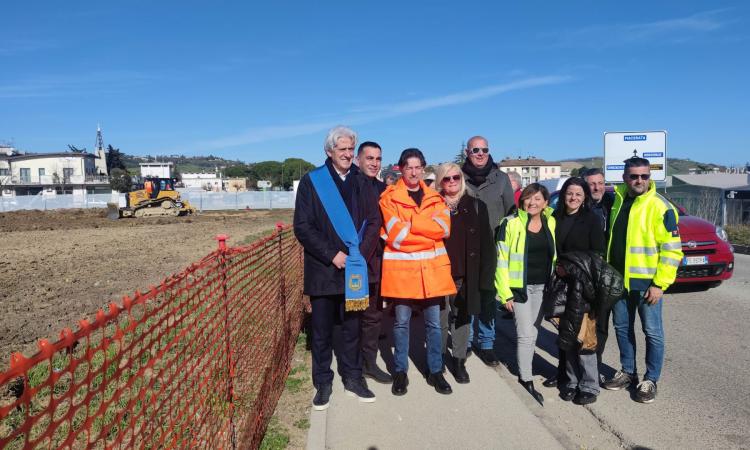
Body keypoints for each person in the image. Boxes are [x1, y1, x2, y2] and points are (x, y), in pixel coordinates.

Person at [293, 126, 382, 411]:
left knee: (352, 328)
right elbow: (303, 227)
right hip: (323, 270)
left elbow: (374, 221)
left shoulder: (363, 181)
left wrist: (359, 256)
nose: (347, 154)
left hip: (354, 270)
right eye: (341, 149)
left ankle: (354, 378)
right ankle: (323, 382)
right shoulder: (312, 182)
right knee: (321, 331)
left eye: (350, 149)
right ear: (329, 151)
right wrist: (333, 255)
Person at [602, 157, 683, 403]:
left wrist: (660, 284)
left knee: (652, 332)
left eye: (644, 176)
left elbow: (672, 250)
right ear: (625, 178)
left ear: (650, 177)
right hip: (618, 281)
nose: (639, 180)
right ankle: (628, 371)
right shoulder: (617, 200)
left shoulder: (661, 206)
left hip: (648, 284)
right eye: (634, 176)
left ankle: (650, 379)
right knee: (622, 328)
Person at [380, 148, 457, 396]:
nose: (413, 172)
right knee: (401, 324)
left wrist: (412, 223)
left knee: (434, 325)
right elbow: (395, 236)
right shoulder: (389, 198)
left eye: (417, 167)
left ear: (423, 169)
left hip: (431, 273)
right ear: (401, 169)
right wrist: (427, 233)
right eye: (408, 167)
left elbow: (444, 229)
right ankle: (400, 372)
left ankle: (436, 371)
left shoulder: (435, 198)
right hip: (402, 274)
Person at [434, 163, 495, 384]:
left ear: (461, 179)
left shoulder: (476, 206)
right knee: (439, 320)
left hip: (465, 274)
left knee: (462, 318)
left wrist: (485, 278)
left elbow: (488, 245)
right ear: (440, 182)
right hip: (437, 273)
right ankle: (438, 358)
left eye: (455, 178)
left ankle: (459, 360)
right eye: (446, 179)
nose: (451, 182)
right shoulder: (431, 206)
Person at [495, 183, 555, 405]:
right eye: (529, 198)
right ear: (522, 201)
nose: (533, 202)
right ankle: (526, 378)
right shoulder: (509, 224)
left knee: (534, 331)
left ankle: (526, 368)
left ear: (545, 203)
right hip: (519, 288)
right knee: (526, 334)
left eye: (538, 199)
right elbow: (500, 259)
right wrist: (505, 293)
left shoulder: (551, 222)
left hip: (543, 287)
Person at [549, 178, 606, 404]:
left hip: (585, 285)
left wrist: (572, 268)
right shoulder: (555, 218)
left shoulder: (592, 219)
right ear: (563, 195)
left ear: (584, 198)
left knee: (585, 337)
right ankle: (572, 382)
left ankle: (590, 385)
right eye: (569, 193)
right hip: (561, 285)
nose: (573, 198)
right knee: (568, 335)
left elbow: (597, 253)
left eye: (578, 194)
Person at [461, 135, 515, 367]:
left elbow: (511, 214)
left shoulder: (501, 179)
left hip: (492, 249)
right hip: (464, 248)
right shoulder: (457, 177)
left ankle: (487, 344)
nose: (480, 153)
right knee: (465, 296)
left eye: (484, 149)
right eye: (475, 150)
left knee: (487, 299)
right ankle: (465, 341)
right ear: (467, 152)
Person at [355, 141, 392, 384]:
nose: (374, 163)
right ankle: (353, 363)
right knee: (353, 314)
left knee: (373, 315)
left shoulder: (384, 189)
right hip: (356, 261)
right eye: (369, 158)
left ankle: (368, 363)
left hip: (379, 262)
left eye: (378, 158)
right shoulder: (348, 187)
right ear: (358, 160)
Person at [582, 167, 616, 375]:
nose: (597, 187)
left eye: (600, 183)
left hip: (608, 274)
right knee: (582, 322)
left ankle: (595, 364)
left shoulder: (613, 204)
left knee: (602, 323)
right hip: (586, 273)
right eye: (592, 184)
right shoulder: (580, 206)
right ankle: (570, 368)